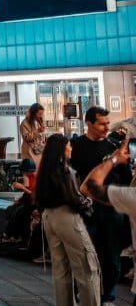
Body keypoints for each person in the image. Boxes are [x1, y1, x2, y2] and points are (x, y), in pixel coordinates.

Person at [69, 106, 129, 304]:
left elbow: (125, 177)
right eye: (102, 123)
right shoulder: (77, 147)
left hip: (112, 208)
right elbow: (73, 177)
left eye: (107, 123)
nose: (106, 127)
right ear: (89, 124)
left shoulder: (113, 147)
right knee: (87, 254)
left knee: (112, 256)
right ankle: (84, 291)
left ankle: (109, 296)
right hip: (88, 209)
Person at [36, 134, 100, 306]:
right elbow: (73, 198)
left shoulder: (45, 170)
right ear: (61, 149)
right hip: (67, 218)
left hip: (49, 218)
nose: (71, 148)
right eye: (69, 145)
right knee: (87, 268)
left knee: (61, 271)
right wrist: (88, 202)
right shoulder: (65, 171)